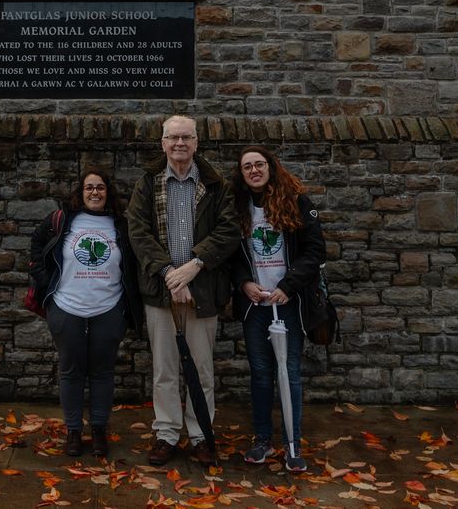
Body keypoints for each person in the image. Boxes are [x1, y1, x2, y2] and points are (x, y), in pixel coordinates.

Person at [126, 115, 239, 467]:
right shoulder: (148, 183)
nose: (179, 143)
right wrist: (170, 275)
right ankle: (167, 434)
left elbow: (229, 231)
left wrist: (194, 267)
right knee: (165, 369)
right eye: (173, 137)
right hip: (160, 290)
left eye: (186, 137)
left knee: (201, 370)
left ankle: (202, 434)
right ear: (162, 143)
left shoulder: (215, 184)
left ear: (196, 142)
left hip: (203, 289)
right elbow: (138, 233)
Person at [29, 168, 143, 458]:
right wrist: (46, 281)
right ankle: (74, 431)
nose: (95, 192)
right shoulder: (61, 220)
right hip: (66, 307)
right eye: (89, 187)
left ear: (108, 192)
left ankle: (100, 430)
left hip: (109, 308)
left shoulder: (121, 225)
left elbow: (133, 264)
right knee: (71, 371)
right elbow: (36, 246)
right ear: (80, 193)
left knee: (103, 371)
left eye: (100, 187)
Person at [230, 146, 326, 473]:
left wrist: (288, 286)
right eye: (247, 167)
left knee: (289, 372)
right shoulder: (236, 208)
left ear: (270, 167)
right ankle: (262, 440)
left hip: (287, 303)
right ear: (241, 174)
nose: (254, 171)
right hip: (255, 306)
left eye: (259, 164)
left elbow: (315, 251)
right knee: (260, 373)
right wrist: (244, 283)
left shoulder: (296, 202)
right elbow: (230, 255)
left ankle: (292, 444)